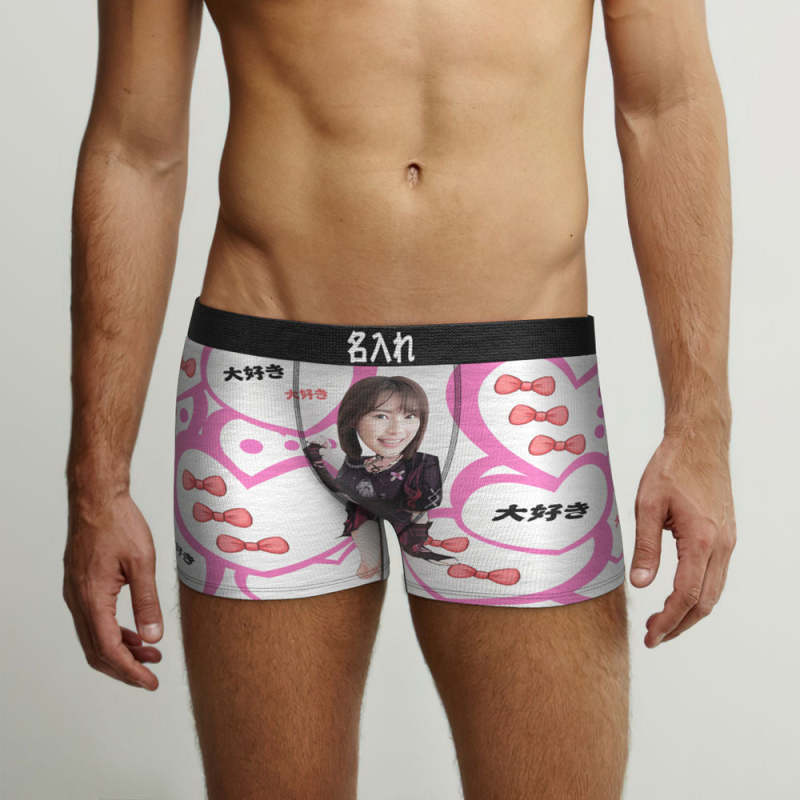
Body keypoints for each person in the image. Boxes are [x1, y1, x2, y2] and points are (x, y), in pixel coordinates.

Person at [62, 0, 737, 797]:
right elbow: (134, 149)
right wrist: (97, 485)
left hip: (512, 390)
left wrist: (700, 428)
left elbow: (667, 104)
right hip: (264, 392)